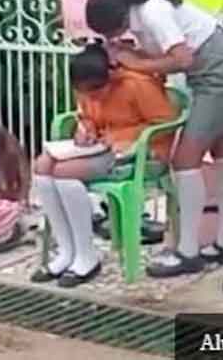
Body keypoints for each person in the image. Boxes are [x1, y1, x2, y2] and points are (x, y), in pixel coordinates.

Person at [85, 0, 223, 278]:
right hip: (219, 71)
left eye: (108, 34)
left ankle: (188, 251)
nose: (110, 40)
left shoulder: (152, 12)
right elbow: (169, 58)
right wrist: (134, 55)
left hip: (218, 76)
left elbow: (182, 59)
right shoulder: (141, 16)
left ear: (116, 22)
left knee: (185, 160)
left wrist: (133, 64)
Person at [32, 43, 178, 287]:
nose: (90, 97)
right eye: (84, 93)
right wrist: (85, 130)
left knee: (63, 172)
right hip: (101, 146)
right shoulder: (87, 91)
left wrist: (124, 136)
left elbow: (166, 122)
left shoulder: (136, 84)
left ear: (110, 77)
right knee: (42, 165)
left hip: (141, 153)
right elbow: (86, 116)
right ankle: (67, 250)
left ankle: (86, 256)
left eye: (95, 92)